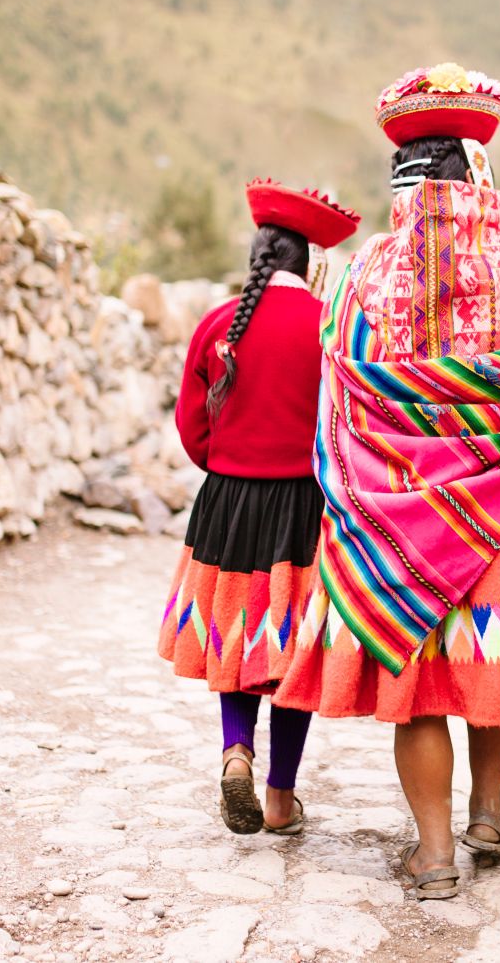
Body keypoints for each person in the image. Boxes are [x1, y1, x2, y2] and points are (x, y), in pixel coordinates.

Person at [276, 63, 500, 900]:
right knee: (496, 658)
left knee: (420, 678)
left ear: (403, 177)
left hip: (402, 508)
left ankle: (433, 851)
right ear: (476, 167)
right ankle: (488, 809)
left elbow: (341, 384)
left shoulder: (367, 271)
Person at [158, 178, 360, 836]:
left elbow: (192, 427)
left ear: (256, 260)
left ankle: (236, 750)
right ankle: (279, 797)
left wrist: (229, 468)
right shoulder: (331, 326)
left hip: (227, 504)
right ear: (308, 265)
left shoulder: (218, 324)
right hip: (305, 506)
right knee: (290, 647)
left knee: (236, 634)